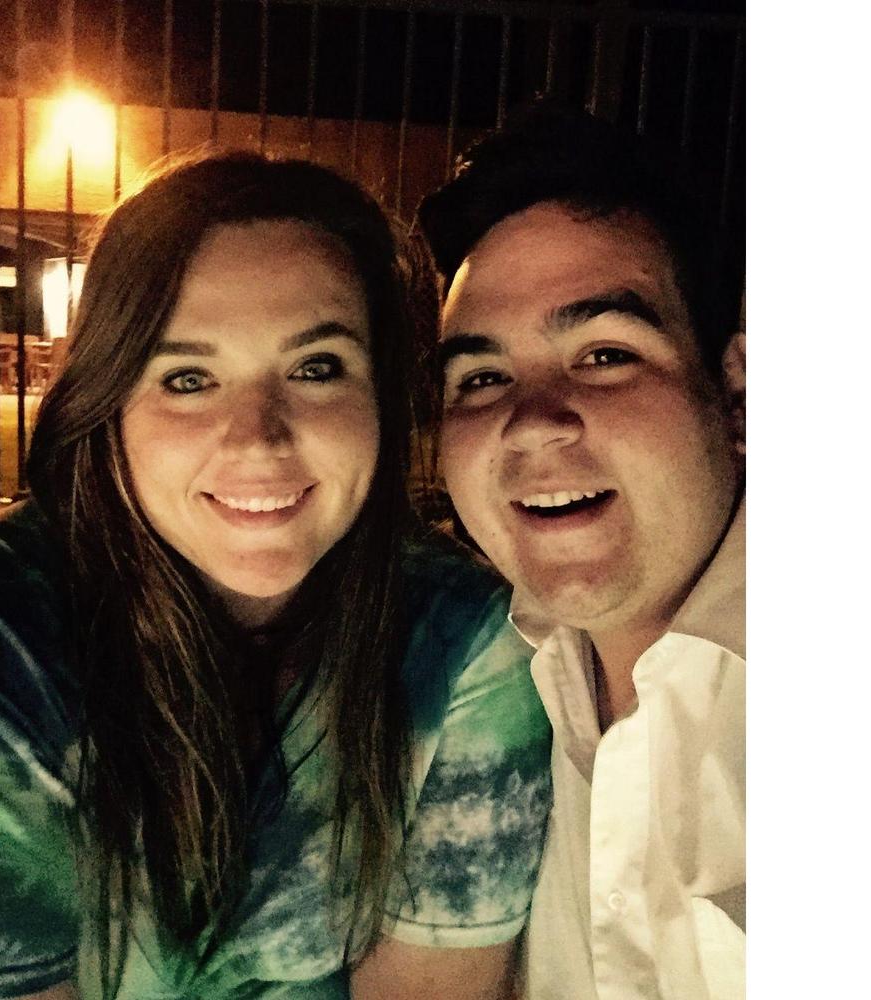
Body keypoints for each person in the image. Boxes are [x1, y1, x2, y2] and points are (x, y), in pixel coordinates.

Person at [0, 152, 553, 1000]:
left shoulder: (461, 639)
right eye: (188, 379)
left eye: (316, 368)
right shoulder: (4, 634)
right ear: (109, 406)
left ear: (384, 396)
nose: (258, 438)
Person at [417, 103, 746, 1000]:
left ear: (736, 393)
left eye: (604, 355)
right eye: (482, 377)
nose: (530, 422)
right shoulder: (484, 677)